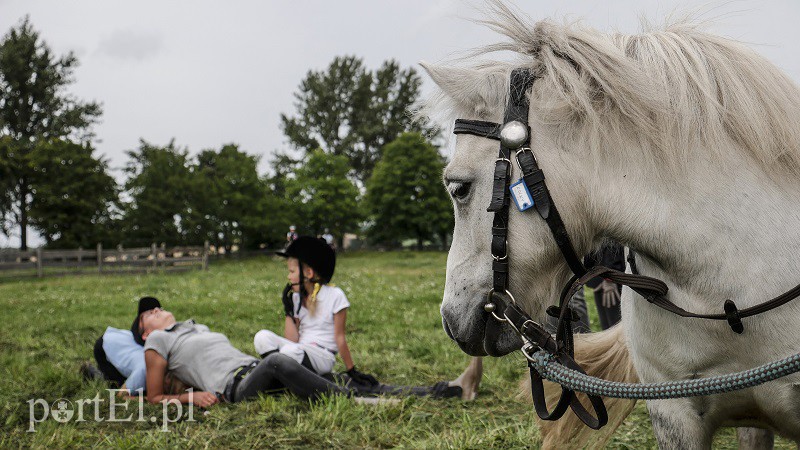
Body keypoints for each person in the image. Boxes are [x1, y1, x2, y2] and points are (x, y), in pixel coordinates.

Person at [139, 237, 474, 406]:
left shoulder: (194, 328)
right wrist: (189, 398)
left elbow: (294, 346)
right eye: (146, 316)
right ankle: (360, 404)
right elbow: (153, 395)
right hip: (238, 389)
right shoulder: (157, 343)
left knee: (340, 378)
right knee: (279, 361)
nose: (154, 310)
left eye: (155, 307)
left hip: (259, 368)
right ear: (145, 335)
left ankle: (443, 391)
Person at [82, 296, 188, 396]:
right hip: (105, 346)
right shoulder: (146, 364)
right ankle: (93, 373)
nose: (156, 310)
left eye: (160, 310)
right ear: (147, 334)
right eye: (150, 313)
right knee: (123, 384)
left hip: (125, 339)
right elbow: (122, 395)